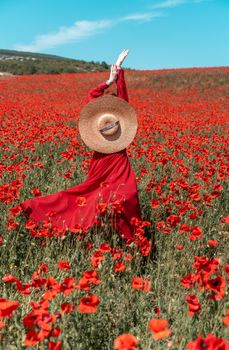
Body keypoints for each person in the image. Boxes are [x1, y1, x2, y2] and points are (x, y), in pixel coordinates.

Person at [20, 50, 142, 241]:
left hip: (119, 161)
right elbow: (98, 96)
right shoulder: (100, 142)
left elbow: (108, 97)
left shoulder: (114, 132)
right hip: (102, 162)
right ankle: (96, 231)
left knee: (128, 195)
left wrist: (115, 73)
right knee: (93, 197)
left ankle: (128, 237)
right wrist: (111, 80)